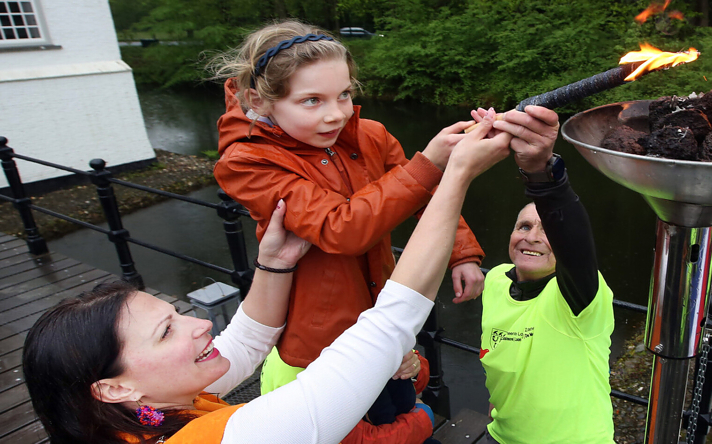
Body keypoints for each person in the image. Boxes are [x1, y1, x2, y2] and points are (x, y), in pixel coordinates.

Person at [21, 112, 513, 444]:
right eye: (166, 331)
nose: (199, 325)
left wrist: (274, 261)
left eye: (176, 314)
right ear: (113, 388)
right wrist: (455, 176)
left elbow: (250, 338)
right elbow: (387, 325)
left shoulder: (146, 414)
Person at [208, 21, 486, 442]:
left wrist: (461, 252)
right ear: (258, 100)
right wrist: (429, 162)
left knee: (398, 404)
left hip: (384, 318)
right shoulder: (247, 162)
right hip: (320, 344)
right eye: (311, 100)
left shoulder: (370, 135)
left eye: (344, 94)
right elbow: (342, 229)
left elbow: (424, 197)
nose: (336, 113)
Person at [471, 106, 616, 444]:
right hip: (501, 436)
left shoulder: (579, 298)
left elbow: (573, 241)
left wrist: (542, 174)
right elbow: (499, 358)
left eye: (546, 230)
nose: (533, 237)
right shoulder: (496, 279)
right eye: (523, 226)